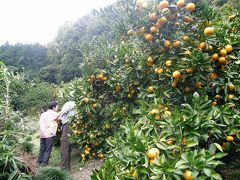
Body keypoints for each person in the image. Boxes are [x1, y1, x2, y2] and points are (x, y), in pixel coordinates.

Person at [37, 101, 59, 166]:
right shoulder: (54, 113)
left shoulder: (43, 114)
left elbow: (39, 123)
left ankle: (39, 161)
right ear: (53, 107)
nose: (58, 108)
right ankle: (44, 163)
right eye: (57, 106)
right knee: (48, 149)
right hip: (49, 134)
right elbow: (60, 118)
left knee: (42, 148)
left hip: (42, 134)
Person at [59, 101, 76, 170]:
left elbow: (64, 111)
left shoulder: (69, 103)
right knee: (68, 147)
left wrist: (59, 114)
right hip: (73, 125)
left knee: (64, 147)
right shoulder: (76, 104)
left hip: (67, 125)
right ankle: (67, 167)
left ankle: (64, 168)